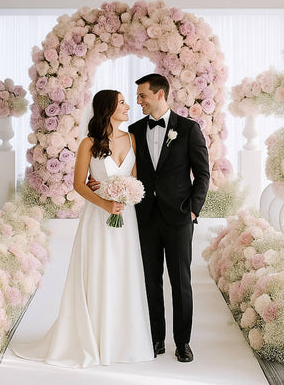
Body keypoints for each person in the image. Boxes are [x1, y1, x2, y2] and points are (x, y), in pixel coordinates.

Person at [12, 90, 153, 367]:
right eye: (122, 103)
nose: (127, 107)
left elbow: (135, 179)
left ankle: (122, 341)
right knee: (100, 271)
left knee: (124, 272)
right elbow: (79, 184)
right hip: (99, 218)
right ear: (107, 109)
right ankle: (94, 338)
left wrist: (124, 194)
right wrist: (104, 202)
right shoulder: (88, 144)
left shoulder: (132, 139)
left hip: (127, 218)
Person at [129, 73, 210, 363]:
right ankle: (155, 339)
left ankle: (183, 342)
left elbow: (202, 174)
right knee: (150, 281)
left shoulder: (188, 129)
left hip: (179, 218)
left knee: (181, 282)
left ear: (160, 95)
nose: (138, 101)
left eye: (143, 96)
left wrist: (192, 210)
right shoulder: (134, 130)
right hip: (146, 218)